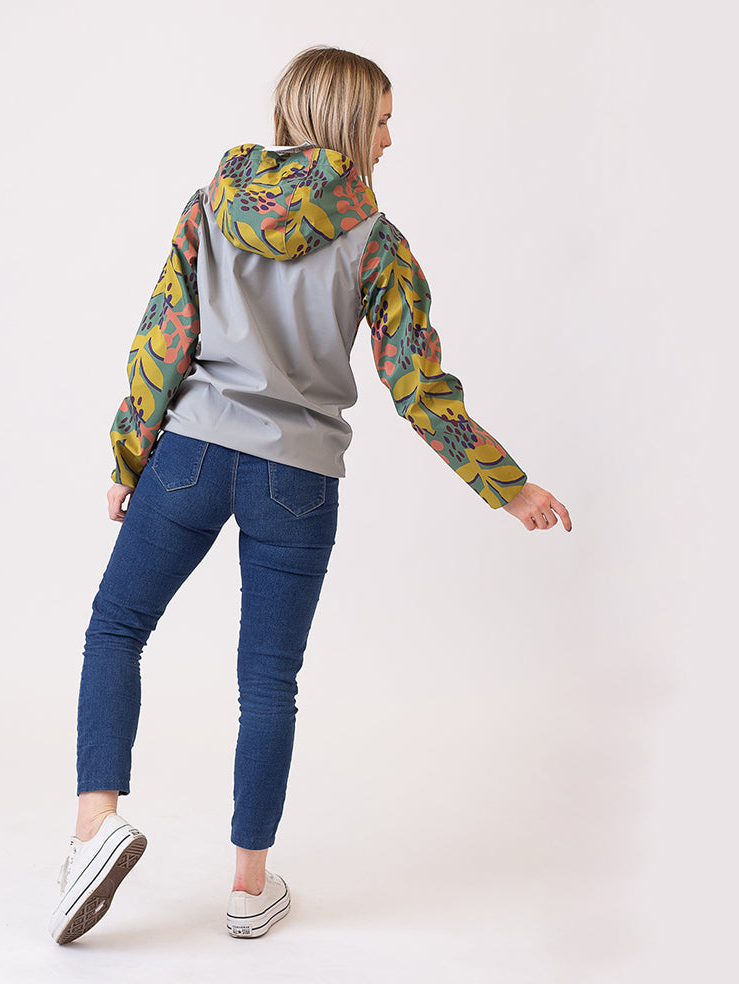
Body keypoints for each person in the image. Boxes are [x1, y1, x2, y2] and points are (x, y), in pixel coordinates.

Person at [48, 44, 572, 946]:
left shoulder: (211, 205)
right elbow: (419, 390)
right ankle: (248, 890)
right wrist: (508, 486)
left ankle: (95, 826)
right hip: (297, 478)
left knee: (117, 626)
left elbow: (161, 338)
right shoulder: (379, 242)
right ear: (346, 121)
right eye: (383, 120)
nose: (390, 138)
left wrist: (130, 457)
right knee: (267, 681)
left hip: (191, 455)